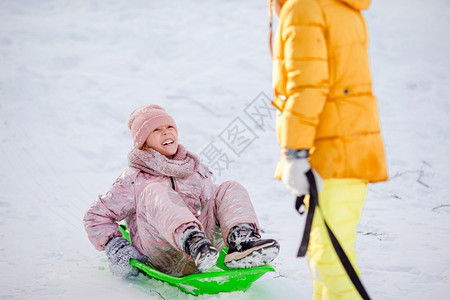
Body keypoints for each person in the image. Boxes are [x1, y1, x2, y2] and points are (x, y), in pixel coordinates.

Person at [269, 0, 388, 299]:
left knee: (330, 260)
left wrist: (294, 152)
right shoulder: (340, 6)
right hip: (349, 145)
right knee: (324, 254)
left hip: (331, 151)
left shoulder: (305, 7)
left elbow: (307, 87)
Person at [83, 104, 279, 278]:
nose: (166, 133)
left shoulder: (194, 170)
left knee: (229, 187)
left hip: (204, 251)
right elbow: (95, 216)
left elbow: (216, 205)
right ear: (143, 142)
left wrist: (231, 222)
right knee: (155, 191)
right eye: (156, 130)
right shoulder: (135, 178)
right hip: (160, 253)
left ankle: (241, 242)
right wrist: (115, 246)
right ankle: (191, 239)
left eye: (169, 127)